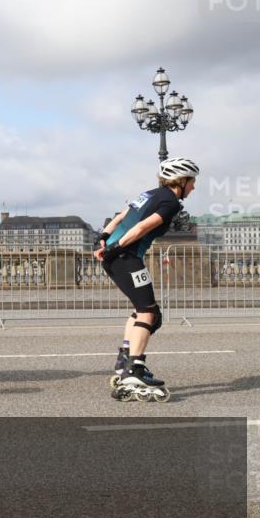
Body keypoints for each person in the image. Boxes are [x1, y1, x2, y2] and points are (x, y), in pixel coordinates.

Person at [94, 157, 200, 402]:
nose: (193, 187)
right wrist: (114, 248)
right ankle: (134, 369)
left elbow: (122, 216)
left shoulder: (148, 194)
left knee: (145, 311)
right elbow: (142, 227)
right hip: (126, 257)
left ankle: (126, 360)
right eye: (192, 182)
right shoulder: (171, 202)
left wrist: (105, 236)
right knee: (149, 314)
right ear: (181, 181)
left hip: (119, 256)